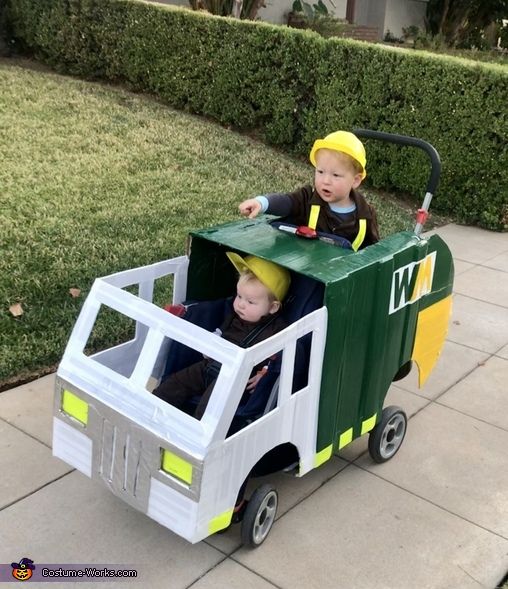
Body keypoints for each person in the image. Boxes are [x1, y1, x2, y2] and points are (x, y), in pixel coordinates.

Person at [153, 252, 290, 420]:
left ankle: (194, 436)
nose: (240, 304)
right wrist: (211, 344)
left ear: (273, 307)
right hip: (210, 365)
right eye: (239, 296)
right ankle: (152, 408)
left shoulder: (277, 329)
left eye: (250, 302)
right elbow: (221, 332)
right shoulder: (235, 314)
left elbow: (281, 356)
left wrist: (265, 373)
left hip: (235, 380)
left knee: (210, 407)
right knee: (176, 382)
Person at [238, 130, 380, 250]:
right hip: (305, 273)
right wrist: (262, 203)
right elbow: (287, 202)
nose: (326, 181)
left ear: (355, 180)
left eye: (336, 175)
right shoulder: (307, 199)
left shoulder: (366, 216)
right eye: (320, 172)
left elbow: (371, 256)